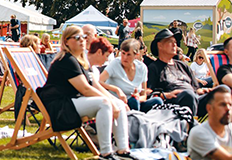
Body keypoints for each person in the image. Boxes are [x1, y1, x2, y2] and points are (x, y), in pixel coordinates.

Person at [36, 26, 134, 160]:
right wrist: (110, 103)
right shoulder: (67, 60)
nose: (82, 40)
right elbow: (85, 89)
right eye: (77, 38)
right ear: (66, 41)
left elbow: (95, 85)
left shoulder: (80, 61)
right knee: (104, 103)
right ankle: (106, 153)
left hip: (72, 102)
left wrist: (115, 102)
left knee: (119, 104)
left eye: (83, 37)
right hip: (60, 107)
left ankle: (123, 150)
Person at [147, 27, 210, 117]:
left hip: (195, 99)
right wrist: (166, 95)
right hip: (174, 103)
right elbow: (149, 92)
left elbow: (196, 88)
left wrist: (204, 90)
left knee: (222, 92)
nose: (174, 44)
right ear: (159, 45)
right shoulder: (154, 68)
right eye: (170, 41)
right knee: (188, 94)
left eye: (175, 42)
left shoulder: (183, 65)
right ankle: (191, 126)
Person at [100, 39, 163, 112]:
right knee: (133, 102)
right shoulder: (115, 63)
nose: (125, 58)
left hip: (135, 102)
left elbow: (144, 95)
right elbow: (100, 81)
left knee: (157, 101)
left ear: (136, 55)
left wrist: (137, 97)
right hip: (118, 102)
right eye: (123, 53)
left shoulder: (142, 68)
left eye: (128, 54)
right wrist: (117, 90)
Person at [188, 85, 232, 160]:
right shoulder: (199, 133)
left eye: (230, 105)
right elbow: (226, 158)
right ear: (209, 108)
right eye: (223, 105)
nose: (228, 108)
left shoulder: (230, 128)